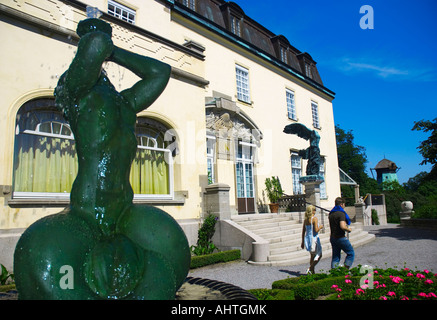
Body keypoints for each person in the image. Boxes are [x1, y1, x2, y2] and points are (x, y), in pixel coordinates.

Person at [329, 197, 355, 269]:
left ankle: (334, 273)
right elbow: (342, 226)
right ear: (341, 204)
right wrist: (348, 229)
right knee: (351, 253)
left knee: (336, 256)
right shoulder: (341, 214)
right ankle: (345, 269)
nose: (344, 206)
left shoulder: (331, 213)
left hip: (333, 237)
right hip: (340, 237)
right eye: (344, 204)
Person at [301, 205, 324, 274]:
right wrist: (320, 227)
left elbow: (303, 231)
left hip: (308, 239)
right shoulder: (314, 219)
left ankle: (312, 272)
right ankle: (310, 268)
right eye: (315, 210)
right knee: (319, 254)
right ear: (313, 211)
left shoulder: (306, 220)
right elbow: (316, 230)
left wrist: (302, 242)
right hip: (314, 239)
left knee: (312, 255)